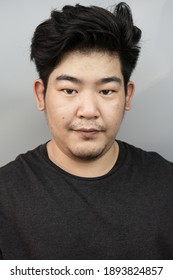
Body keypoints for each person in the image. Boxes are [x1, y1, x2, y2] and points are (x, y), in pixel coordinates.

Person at [0, 2, 173, 260]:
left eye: (106, 91)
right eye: (69, 90)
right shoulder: (5, 197)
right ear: (41, 94)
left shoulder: (167, 187)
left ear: (127, 96)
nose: (89, 110)